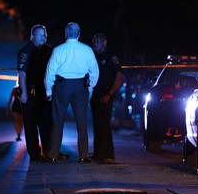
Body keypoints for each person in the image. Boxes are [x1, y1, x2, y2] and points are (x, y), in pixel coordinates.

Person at [44, 22, 99, 163]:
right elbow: (95, 71)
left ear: (66, 33)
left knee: (57, 122)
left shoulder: (58, 50)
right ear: (79, 34)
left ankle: (53, 155)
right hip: (81, 87)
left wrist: (49, 91)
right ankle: (83, 155)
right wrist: (90, 87)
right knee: (82, 123)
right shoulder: (87, 50)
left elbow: (50, 72)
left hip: (62, 86)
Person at [17, 24, 53, 161]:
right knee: (31, 124)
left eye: (44, 34)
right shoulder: (26, 51)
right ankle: (34, 153)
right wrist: (24, 93)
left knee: (46, 123)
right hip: (31, 94)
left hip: (44, 93)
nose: (43, 37)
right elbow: (22, 73)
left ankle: (48, 151)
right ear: (32, 36)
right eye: (39, 35)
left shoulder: (48, 50)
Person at [90, 33, 124, 163]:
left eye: (98, 41)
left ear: (105, 43)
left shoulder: (111, 57)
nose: (95, 44)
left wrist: (109, 94)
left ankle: (100, 154)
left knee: (101, 124)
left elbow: (119, 77)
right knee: (102, 124)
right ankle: (108, 153)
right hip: (97, 92)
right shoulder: (95, 57)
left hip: (105, 92)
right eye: (94, 42)